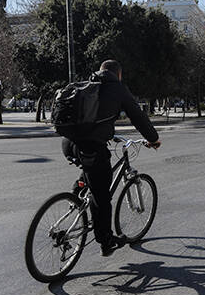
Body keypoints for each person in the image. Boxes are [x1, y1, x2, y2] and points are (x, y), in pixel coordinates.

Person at [61, 60, 161, 257]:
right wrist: (153, 139)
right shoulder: (118, 89)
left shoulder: (87, 84)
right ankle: (106, 241)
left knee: (90, 174)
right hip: (91, 147)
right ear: (119, 74)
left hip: (69, 143)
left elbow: (93, 117)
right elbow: (137, 116)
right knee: (102, 196)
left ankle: (77, 197)